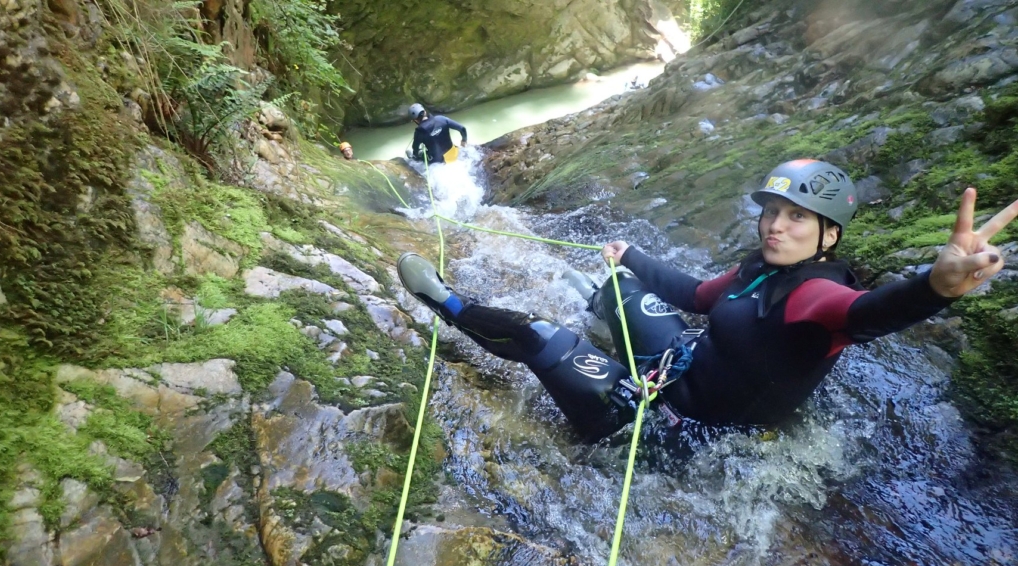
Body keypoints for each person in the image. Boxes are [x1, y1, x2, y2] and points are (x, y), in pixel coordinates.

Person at [397, 159, 1018, 442]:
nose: (776, 225)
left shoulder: (820, 296)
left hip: (678, 427)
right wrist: (630, 257)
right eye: (772, 212)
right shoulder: (757, 269)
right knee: (625, 288)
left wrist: (935, 287)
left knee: (538, 336)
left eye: (796, 217)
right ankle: (602, 306)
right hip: (683, 362)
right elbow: (695, 294)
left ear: (829, 234)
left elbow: (869, 314)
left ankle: (449, 305)